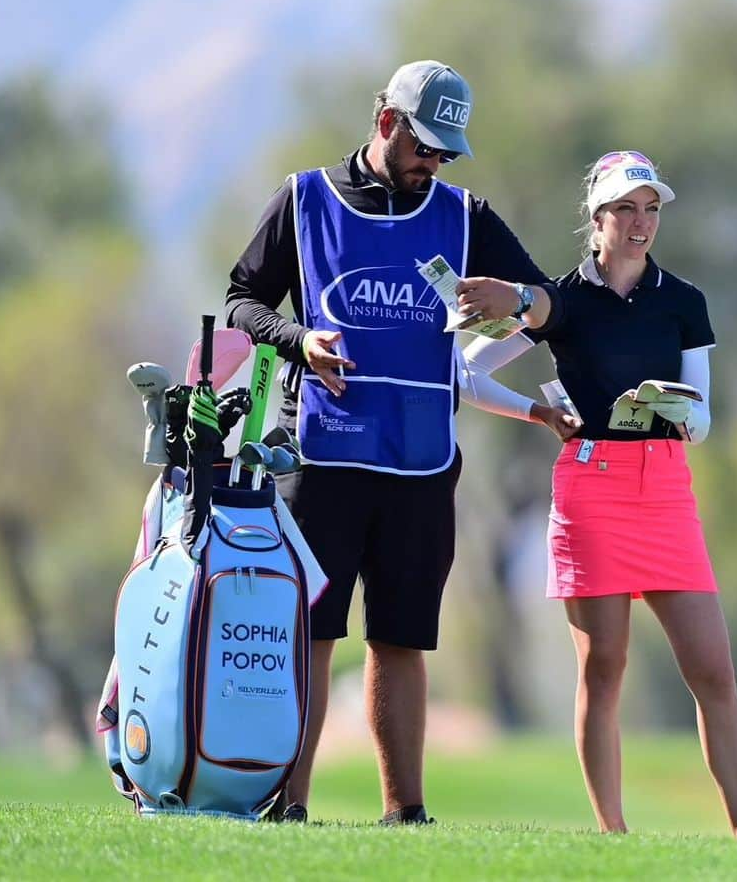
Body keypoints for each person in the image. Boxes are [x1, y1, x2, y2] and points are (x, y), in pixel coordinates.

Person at [224, 60, 563, 825]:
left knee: (402, 636)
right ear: (386, 123)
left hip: (422, 464)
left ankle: (405, 814)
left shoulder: (464, 214)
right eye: (426, 148)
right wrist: (297, 337)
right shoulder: (303, 199)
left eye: (446, 153)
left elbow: (552, 306)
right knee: (309, 631)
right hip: (323, 459)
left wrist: (519, 299)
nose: (433, 165)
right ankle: (289, 804)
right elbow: (241, 300)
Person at [458, 150, 737, 838]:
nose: (640, 222)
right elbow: (465, 371)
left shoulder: (684, 302)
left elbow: (704, 420)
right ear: (596, 218)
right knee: (605, 668)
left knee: (713, 669)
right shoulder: (559, 301)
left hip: (665, 492)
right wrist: (533, 412)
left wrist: (678, 409)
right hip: (591, 492)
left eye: (650, 208)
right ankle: (613, 835)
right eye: (625, 208)